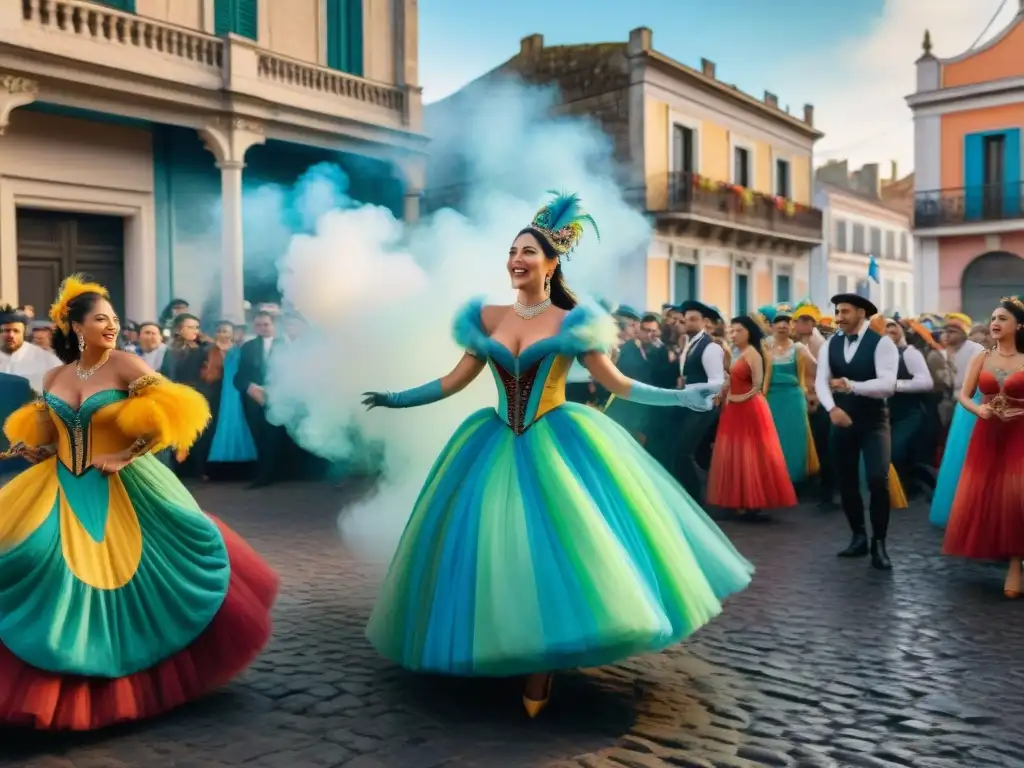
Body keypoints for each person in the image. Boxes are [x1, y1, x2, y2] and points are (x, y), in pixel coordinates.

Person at [360, 193, 753, 718]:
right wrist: (397, 399)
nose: (516, 259)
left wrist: (683, 396)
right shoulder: (486, 317)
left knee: (557, 551)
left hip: (558, 440)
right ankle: (500, 645)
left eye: (527, 251)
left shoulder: (575, 322)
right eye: (511, 250)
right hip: (492, 441)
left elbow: (619, 383)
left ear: (551, 262)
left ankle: (539, 671)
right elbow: (455, 381)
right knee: (493, 552)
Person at [0, 275, 278, 730]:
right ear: (75, 326)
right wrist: (35, 450)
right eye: (99, 320)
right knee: (34, 558)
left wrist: (123, 455)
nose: (110, 326)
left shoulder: (126, 364)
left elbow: (173, 417)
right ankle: (64, 671)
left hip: (124, 483)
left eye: (112, 319)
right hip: (60, 483)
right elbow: (51, 434)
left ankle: (134, 677)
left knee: (145, 570)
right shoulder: (53, 375)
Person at [942, 297, 1024, 597]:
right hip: (987, 432)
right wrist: (979, 411)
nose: (995, 323)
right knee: (992, 494)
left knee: (1018, 496)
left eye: (1002, 318)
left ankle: (1016, 563)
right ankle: (1006, 554)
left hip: (1020, 434)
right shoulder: (982, 357)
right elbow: (964, 395)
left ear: (1018, 325)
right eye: (993, 318)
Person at [814, 294, 899, 570]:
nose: (838, 317)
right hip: (840, 420)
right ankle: (858, 536)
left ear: (861, 313)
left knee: (877, 480)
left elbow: (887, 386)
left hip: (874, 422)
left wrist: (852, 385)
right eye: (837, 311)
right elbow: (821, 382)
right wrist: (831, 410)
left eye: (844, 312)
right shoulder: (830, 344)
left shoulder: (882, 343)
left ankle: (880, 543)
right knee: (847, 481)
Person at [707, 314, 798, 520]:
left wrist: (737, 398)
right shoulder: (736, 352)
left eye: (739, 330)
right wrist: (724, 393)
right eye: (733, 330)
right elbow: (729, 376)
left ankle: (752, 502)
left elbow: (757, 386)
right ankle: (736, 499)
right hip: (733, 406)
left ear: (749, 332)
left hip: (750, 407)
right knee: (733, 451)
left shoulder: (754, 353)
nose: (735, 334)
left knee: (750, 452)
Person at [673, 299, 726, 502]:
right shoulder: (689, 344)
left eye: (694, 319)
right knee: (694, 452)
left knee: (684, 451)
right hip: (690, 404)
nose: (688, 323)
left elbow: (716, 382)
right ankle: (700, 493)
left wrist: (691, 389)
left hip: (703, 407)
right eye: (686, 320)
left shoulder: (710, 347)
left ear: (704, 322)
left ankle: (695, 497)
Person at [765, 304, 819, 486]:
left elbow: (818, 368)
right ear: (772, 326)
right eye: (778, 322)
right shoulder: (764, 346)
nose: (782, 325)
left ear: (792, 326)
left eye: (786, 322)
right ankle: (773, 478)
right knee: (772, 438)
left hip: (793, 398)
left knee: (794, 438)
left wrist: (814, 392)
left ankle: (794, 480)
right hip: (771, 397)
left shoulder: (798, 348)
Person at [234, 310, 289, 487]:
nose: (263, 328)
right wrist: (250, 387)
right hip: (253, 399)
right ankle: (263, 475)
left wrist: (272, 389)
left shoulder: (284, 345)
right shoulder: (248, 347)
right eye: (259, 325)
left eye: (266, 324)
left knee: (274, 437)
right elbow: (240, 375)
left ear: (273, 325)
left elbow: (292, 374)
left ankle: (271, 474)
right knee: (258, 436)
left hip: (277, 397)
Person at [0, 304, 61, 392]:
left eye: (16, 331)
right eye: (6, 331)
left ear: (24, 333)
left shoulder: (48, 360)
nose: (11, 335)